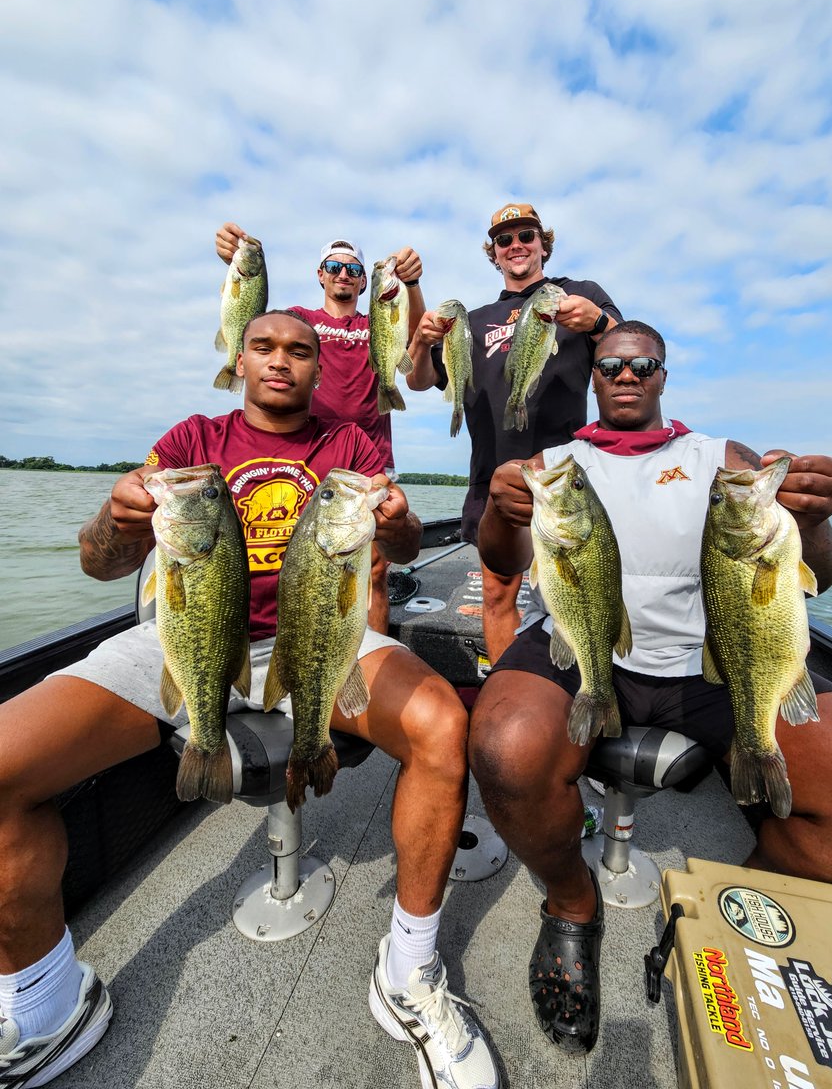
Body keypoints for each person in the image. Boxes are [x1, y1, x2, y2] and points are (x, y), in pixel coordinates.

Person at [0, 311, 499, 1089]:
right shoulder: (191, 440)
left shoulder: (349, 447)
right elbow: (100, 564)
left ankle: (408, 972)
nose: (280, 362)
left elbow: (398, 550)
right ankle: (46, 1005)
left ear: (318, 368)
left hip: (321, 626)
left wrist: (398, 524)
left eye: (299, 351)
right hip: (190, 631)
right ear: (238, 359)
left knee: (444, 725)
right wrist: (117, 515)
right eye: (263, 347)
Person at [469, 319, 832, 1055]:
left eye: (643, 364)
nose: (627, 375)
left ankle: (740, 901)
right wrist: (504, 514)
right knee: (503, 750)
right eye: (611, 366)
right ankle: (573, 903)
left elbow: (815, 574)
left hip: (716, 657)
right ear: (593, 377)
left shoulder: (719, 457)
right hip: (581, 649)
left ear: (664, 375)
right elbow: (502, 556)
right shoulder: (556, 463)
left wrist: (815, 520)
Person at [406, 202, 623, 664]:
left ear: (544, 244)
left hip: (568, 477)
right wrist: (422, 342)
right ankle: (507, 687)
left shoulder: (579, 293)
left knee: (579, 590)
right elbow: (421, 380)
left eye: (527, 236)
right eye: (504, 240)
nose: (516, 246)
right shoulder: (473, 320)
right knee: (497, 592)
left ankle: (588, 680)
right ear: (495, 254)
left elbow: (629, 351)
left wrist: (601, 323)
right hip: (493, 473)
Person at [216, 222, 427, 634]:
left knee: (373, 570)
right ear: (320, 274)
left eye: (352, 269)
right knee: (298, 563)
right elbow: (252, 325)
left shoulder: (380, 321)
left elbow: (417, 338)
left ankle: (370, 661)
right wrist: (233, 269)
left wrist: (413, 285)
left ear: (365, 281)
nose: (342, 274)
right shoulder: (299, 321)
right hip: (305, 455)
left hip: (367, 457)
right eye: (334, 266)